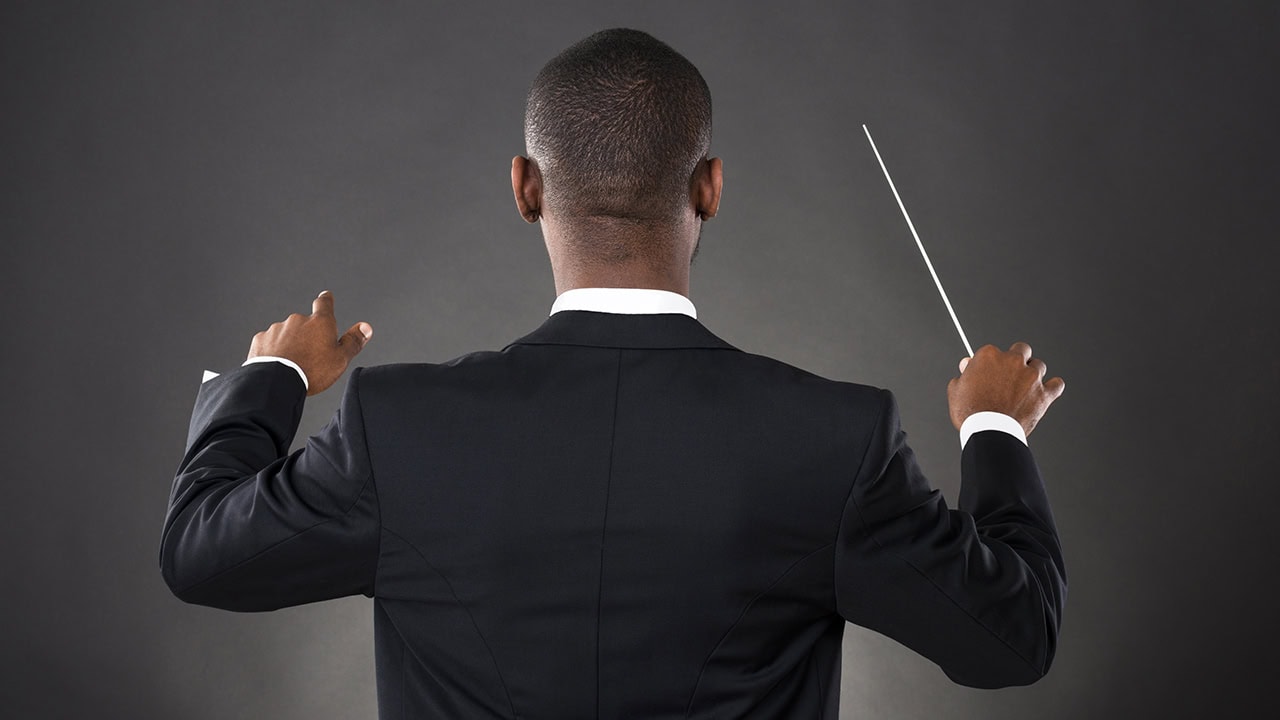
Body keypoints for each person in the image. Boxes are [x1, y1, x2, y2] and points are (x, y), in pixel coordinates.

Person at [160, 28, 1066, 719]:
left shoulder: (400, 426)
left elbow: (201, 552)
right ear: (710, 187)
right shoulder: (834, 440)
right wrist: (995, 431)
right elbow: (1011, 636)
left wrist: (274, 374)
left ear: (524, 187)